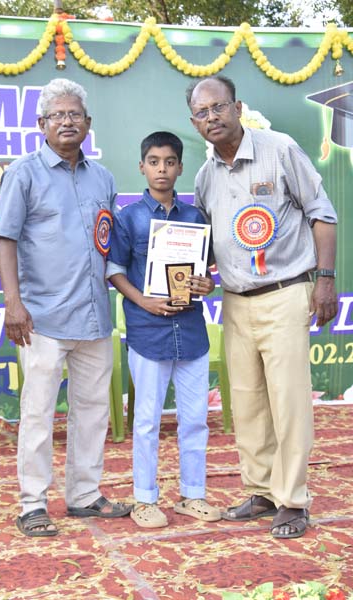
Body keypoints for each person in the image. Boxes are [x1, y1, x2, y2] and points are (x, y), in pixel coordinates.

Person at [185, 75, 338, 539]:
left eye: (219, 107)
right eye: (202, 112)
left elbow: (322, 213)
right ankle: (261, 490)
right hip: (235, 301)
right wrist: (198, 273)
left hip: (286, 292)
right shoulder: (205, 176)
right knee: (248, 402)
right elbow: (207, 244)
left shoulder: (279, 149)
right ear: (194, 123)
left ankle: (292, 500)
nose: (212, 117)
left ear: (237, 108)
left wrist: (325, 280)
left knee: (289, 402)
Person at [0, 78, 132, 537]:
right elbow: (6, 239)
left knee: (92, 411)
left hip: (94, 315)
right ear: (42, 124)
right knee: (38, 414)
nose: (67, 121)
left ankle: (84, 495)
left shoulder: (103, 178)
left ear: (88, 123)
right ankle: (33, 504)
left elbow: (110, 242)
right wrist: (13, 304)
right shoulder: (23, 173)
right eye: (57, 115)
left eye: (74, 114)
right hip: (42, 318)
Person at [106, 131, 222, 528]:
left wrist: (207, 284)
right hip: (147, 331)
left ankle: (193, 495)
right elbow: (114, 271)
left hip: (191, 332)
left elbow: (206, 273)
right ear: (142, 166)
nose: (162, 169)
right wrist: (144, 301)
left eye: (169, 162)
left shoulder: (195, 218)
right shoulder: (129, 218)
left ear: (180, 167)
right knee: (146, 421)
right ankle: (144, 500)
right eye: (154, 162)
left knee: (195, 419)